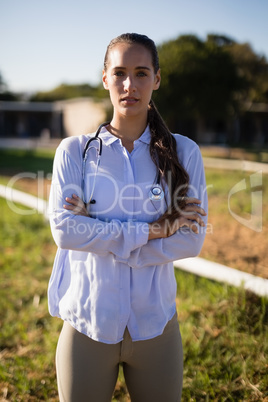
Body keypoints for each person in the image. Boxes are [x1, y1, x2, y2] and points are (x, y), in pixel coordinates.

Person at [48, 33, 208, 402]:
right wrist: (156, 230)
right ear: (105, 78)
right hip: (88, 325)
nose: (129, 84)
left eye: (141, 73)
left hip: (155, 328)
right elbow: (66, 232)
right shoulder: (75, 152)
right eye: (119, 72)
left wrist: (102, 238)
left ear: (157, 79)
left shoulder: (185, 152)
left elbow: (191, 240)